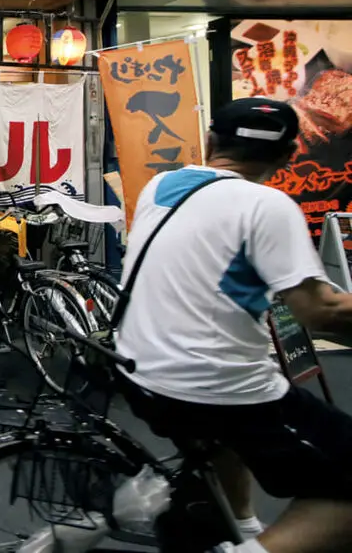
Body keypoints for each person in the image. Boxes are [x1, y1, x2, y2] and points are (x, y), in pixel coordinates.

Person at [114, 97, 352, 553]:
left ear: (209, 141)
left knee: (225, 435)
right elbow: (319, 311)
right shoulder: (269, 206)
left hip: (139, 374)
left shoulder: (162, 186)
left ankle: (242, 526)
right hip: (213, 389)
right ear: (287, 158)